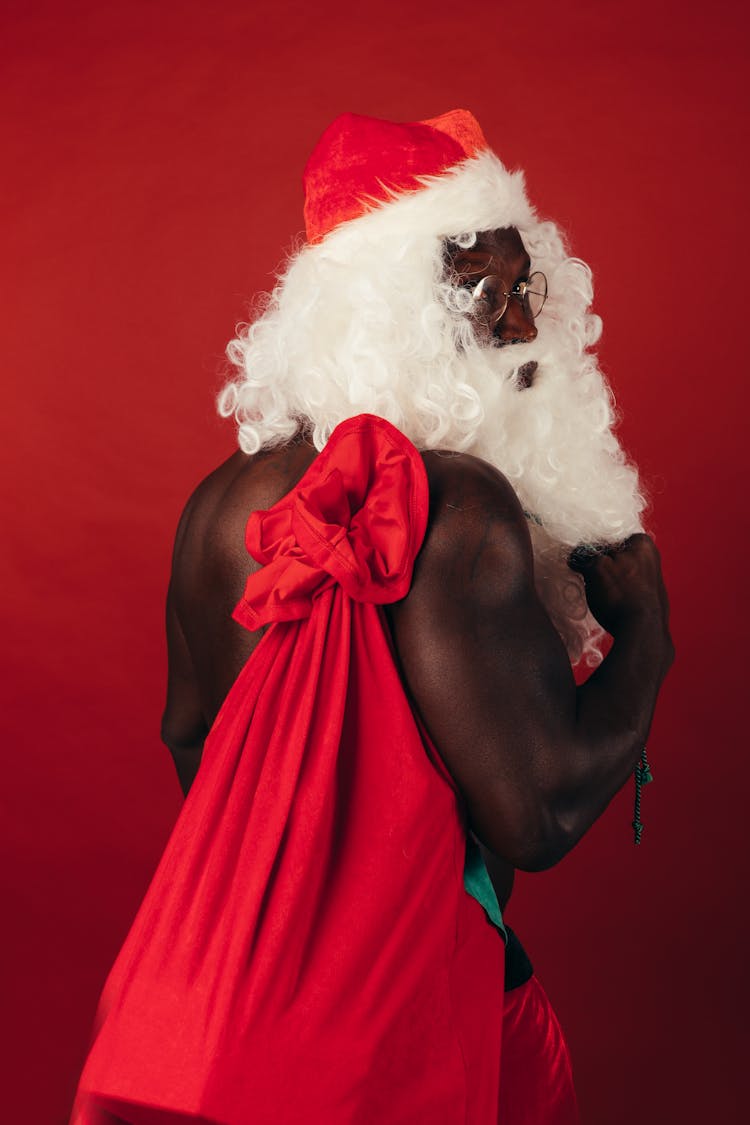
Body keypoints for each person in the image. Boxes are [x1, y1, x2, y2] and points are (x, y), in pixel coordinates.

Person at [72, 111, 673, 1125]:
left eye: (529, 290)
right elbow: (540, 817)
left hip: (221, 1025)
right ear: (392, 314)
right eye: (491, 294)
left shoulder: (218, 505)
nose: (525, 327)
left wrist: (303, 887)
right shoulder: (456, 506)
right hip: (396, 1037)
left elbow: (189, 737)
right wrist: (648, 636)